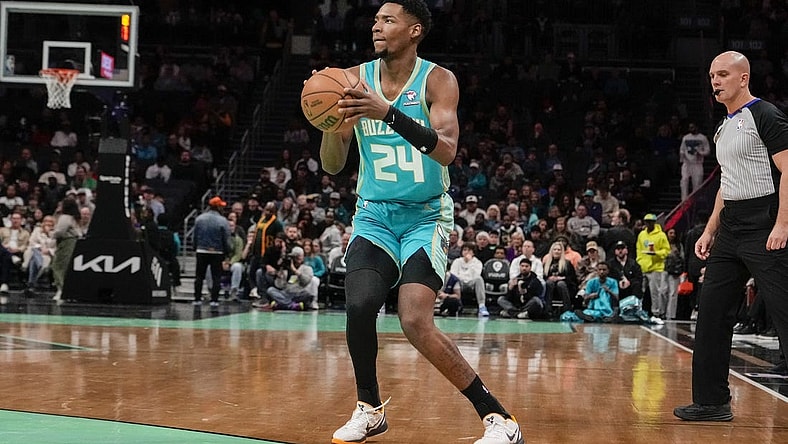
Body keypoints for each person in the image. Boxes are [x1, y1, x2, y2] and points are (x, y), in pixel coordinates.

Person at [317, 2, 522, 442]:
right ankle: (369, 409)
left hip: (425, 216)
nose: (376, 26)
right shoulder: (350, 80)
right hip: (374, 215)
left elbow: (447, 150)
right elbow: (332, 165)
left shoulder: (437, 80)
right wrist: (329, 120)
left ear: (415, 31)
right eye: (375, 19)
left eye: (388, 20)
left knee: (414, 319)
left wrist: (386, 112)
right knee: (359, 306)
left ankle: (499, 418)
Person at [674, 51, 788, 422]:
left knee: (784, 311)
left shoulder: (765, 114)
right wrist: (710, 229)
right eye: (712, 75)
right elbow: (728, 182)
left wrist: (783, 224)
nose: (715, 81)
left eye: (723, 74)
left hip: (765, 221)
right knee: (710, 314)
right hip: (731, 226)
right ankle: (712, 402)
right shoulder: (724, 126)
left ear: (743, 78)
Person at [192, 196, 232, 307]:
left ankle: (197, 298)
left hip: (201, 250)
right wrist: (227, 252)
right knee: (216, 277)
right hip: (217, 252)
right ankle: (214, 300)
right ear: (218, 207)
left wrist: (195, 247)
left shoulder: (199, 219)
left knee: (199, 276)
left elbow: (195, 236)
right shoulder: (223, 221)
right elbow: (226, 238)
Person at [636, 213, 670, 319]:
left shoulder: (661, 235)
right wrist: (639, 261)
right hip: (643, 266)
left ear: (654, 222)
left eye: (650, 222)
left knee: (655, 292)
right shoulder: (642, 235)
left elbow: (666, 250)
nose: (648, 224)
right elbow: (639, 249)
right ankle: (640, 311)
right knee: (641, 291)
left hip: (656, 267)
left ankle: (656, 313)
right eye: (647, 222)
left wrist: (656, 253)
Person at [52, 198, 83, 301]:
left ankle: (61, 289)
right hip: (73, 242)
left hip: (66, 242)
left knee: (58, 266)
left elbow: (60, 232)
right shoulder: (74, 218)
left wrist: (51, 234)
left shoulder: (65, 217)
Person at [449, 243, 489, 317]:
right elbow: (453, 275)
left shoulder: (477, 262)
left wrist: (470, 262)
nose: (467, 252)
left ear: (473, 253)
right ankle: (457, 306)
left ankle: (482, 306)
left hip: (471, 284)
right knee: (451, 277)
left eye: (469, 250)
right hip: (459, 283)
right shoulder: (457, 261)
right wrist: (463, 278)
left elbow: (475, 275)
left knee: (479, 279)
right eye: (465, 250)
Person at [678, 122, 711, 201]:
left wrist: (701, 153)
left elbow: (707, 151)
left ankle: (695, 201)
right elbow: (682, 149)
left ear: (696, 127)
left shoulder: (703, 138)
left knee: (697, 183)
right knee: (684, 180)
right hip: (687, 163)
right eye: (690, 127)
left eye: (692, 127)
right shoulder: (686, 137)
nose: (691, 129)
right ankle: (684, 200)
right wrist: (682, 157)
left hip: (697, 163)